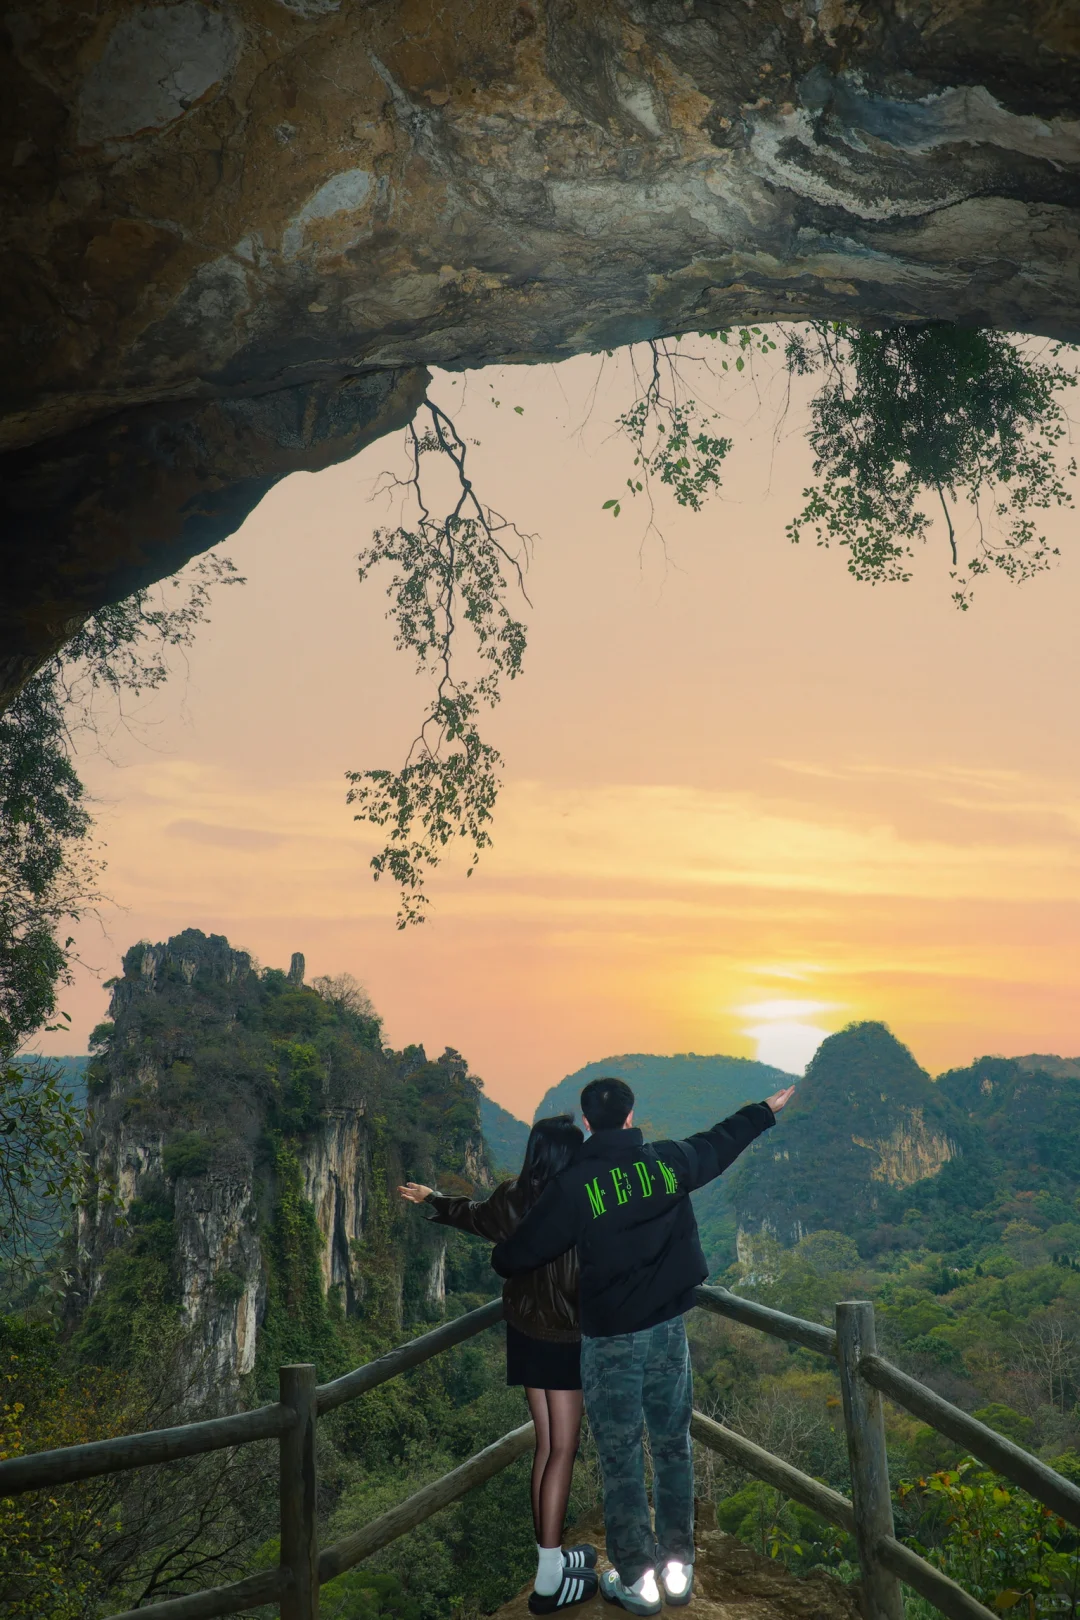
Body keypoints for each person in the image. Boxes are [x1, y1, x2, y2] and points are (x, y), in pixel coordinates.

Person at [491, 1077, 797, 1616]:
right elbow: (718, 1143)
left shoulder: (573, 1185)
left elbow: (516, 1256)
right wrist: (763, 1111)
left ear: (588, 1123)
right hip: (668, 1331)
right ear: (632, 1118)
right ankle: (679, 1566)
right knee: (673, 1443)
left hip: (610, 1341)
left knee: (621, 1455)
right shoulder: (666, 1162)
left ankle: (638, 1578)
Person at [398, 1115, 599, 1614]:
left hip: (527, 1332)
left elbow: (476, 1216)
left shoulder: (515, 1195)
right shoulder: (577, 1200)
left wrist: (432, 1199)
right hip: (567, 1338)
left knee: (547, 1446)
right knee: (564, 1450)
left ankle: (549, 1559)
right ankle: (550, 1582)